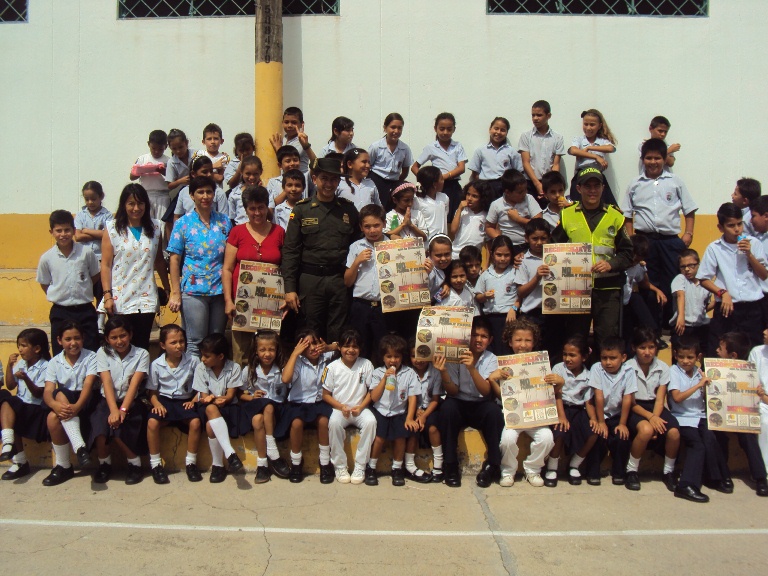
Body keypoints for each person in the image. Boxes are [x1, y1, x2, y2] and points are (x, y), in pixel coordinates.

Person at [551, 167, 633, 356]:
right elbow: (554, 249)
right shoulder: (566, 215)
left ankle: (604, 382)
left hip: (608, 289)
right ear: (579, 189)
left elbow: (628, 253)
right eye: (588, 186)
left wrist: (611, 264)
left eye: (597, 186)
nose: (593, 190)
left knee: (607, 339)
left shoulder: (616, 216)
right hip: (575, 288)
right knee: (575, 340)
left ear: (603, 188)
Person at [283, 156, 360, 345]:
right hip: (310, 281)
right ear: (315, 178)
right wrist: (290, 289)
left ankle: (333, 372)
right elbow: (291, 251)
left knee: (337, 331)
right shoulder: (302, 210)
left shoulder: (348, 210)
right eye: (324, 178)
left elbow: (359, 244)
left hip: (338, 280)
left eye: (334, 179)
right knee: (309, 330)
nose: (329, 184)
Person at [622, 138, 697, 321]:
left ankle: (672, 324)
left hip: (670, 240)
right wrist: (633, 240)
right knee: (649, 283)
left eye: (657, 158)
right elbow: (627, 215)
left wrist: (688, 234)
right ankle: (653, 328)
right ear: (643, 159)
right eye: (648, 158)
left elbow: (689, 209)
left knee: (674, 281)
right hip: (646, 241)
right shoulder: (635, 184)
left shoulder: (675, 182)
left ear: (664, 159)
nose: (653, 162)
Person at [168, 176, 232, 357]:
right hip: (193, 292)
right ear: (192, 195)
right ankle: (196, 385)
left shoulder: (225, 222)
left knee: (216, 341)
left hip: (219, 291)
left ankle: (215, 383)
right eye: (200, 192)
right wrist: (175, 292)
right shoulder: (182, 223)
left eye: (209, 191)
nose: (205, 196)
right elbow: (174, 259)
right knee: (196, 342)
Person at [101, 183, 170, 351]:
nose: (136, 208)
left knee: (141, 345)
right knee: (121, 345)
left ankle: (141, 378)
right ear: (124, 205)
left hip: (146, 297)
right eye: (131, 203)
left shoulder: (155, 227)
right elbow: (106, 264)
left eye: (140, 203)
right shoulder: (112, 228)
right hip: (121, 298)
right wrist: (107, 295)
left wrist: (168, 288)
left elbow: (159, 261)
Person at [436, 317, 504, 488]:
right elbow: (452, 391)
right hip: (459, 401)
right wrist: (444, 372)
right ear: (467, 337)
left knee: (494, 412)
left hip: (480, 404)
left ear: (490, 340)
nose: (478, 340)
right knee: (447, 409)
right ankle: (450, 465)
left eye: (483, 336)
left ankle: (492, 465)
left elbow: (486, 391)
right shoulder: (456, 353)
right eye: (474, 335)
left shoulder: (491, 359)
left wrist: (472, 368)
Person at [222, 185, 285, 364]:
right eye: (252, 208)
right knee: (241, 354)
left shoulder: (279, 233)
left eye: (261, 208)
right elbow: (227, 269)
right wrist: (228, 300)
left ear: (267, 207)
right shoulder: (237, 232)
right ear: (246, 209)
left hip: (270, 305)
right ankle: (241, 391)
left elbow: (286, 268)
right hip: (242, 304)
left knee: (269, 353)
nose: (257, 213)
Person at [491, 318, 555, 488]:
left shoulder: (541, 363)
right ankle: (508, 471)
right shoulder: (505, 365)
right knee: (507, 440)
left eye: (527, 340)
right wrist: (492, 380)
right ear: (510, 342)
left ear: (534, 342)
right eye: (518, 340)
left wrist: (559, 382)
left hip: (536, 415)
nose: (523, 345)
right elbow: (503, 398)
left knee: (547, 438)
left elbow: (550, 393)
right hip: (514, 416)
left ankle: (533, 469)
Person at [697, 202, 768, 354]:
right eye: (731, 225)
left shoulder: (753, 243)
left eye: (739, 224)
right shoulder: (715, 248)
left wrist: (749, 254)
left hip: (752, 306)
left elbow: (763, 274)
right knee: (718, 348)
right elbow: (704, 278)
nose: (737, 229)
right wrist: (722, 292)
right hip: (727, 307)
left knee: (753, 350)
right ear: (721, 227)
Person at [89, 316, 149, 485]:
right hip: (107, 400)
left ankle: (134, 464)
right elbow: (106, 381)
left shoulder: (141, 354)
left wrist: (122, 410)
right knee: (101, 428)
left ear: (130, 334)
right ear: (107, 339)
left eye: (123, 336)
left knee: (119, 430)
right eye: (113, 337)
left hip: (130, 401)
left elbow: (135, 384)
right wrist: (113, 410)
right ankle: (104, 464)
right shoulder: (102, 352)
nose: (119, 341)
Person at [277, 328, 337, 484]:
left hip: (319, 403)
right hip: (299, 404)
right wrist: (295, 354)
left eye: (315, 343)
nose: (313, 348)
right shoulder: (298, 362)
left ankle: (325, 462)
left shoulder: (326, 357)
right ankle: (296, 462)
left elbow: (341, 345)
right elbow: (285, 378)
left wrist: (329, 347)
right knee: (296, 424)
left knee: (324, 421)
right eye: (307, 345)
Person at [42, 322, 98, 486]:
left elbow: (88, 385)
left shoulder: (91, 357)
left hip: (85, 401)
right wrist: (55, 405)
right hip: (64, 403)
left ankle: (67, 459)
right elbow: (48, 391)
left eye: (77, 338)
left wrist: (77, 406)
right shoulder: (54, 362)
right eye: (68, 339)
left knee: (61, 394)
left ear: (83, 339)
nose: (73, 343)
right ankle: (74, 454)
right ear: (59, 340)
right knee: (53, 414)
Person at [624, 327, 680, 492]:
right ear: (634, 348)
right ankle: (632, 470)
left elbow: (660, 399)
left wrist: (656, 417)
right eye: (642, 347)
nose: (647, 352)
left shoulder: (663, 367)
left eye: (651, 347)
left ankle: (668, 471)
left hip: (655, 406)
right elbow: (630, 402)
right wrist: (650, 418)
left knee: (674, 432)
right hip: (635, 407)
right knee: (646, 430)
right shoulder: (628, 367)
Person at [37, 210, 101, 355]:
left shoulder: (86, 253)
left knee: (91, 349)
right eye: (58, 230)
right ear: (51, 232)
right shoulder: (47, 258)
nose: (63, 234)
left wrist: (83, 287)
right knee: (61, 353)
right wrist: (60, 293)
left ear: (73, 230)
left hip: (85, 310)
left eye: (67, 230)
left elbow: (95, 275)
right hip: (60, 311)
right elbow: (44, 283)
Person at [146, 324, 203, 484]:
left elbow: (201, 386)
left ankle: (191, 462)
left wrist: (193, 400)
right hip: (164, 401)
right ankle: (156, 465)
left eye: (182, 341)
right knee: (152, 422)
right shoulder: (156, 364)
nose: (179, 346)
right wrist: (157, 404)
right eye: (173, 342)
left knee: (195, 422)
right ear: (163, 345)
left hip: (185, 401)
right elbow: (152, 393)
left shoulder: (193, 361)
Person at [667, 337, 722, 503]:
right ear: (676, 355)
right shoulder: (674, 371)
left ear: (698, 357)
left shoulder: (699, 372)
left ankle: (717, 477)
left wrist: (706, 387)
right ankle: (686, 485)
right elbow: (676, 398)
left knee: (711, 438)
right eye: (682, 357)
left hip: (700, 416)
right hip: (682, 418)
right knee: (697, 445)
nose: (685, 361)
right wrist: (698, 385)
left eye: (690, 357)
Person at [714, 332, 768, 497]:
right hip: (721, 411)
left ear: (733, 355)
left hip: (743, 409)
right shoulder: (714, 367)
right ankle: (724, 475)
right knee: (717, 433)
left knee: (749, 434)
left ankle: (760, 477)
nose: (716, 350)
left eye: (720, 348)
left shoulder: (744, 368)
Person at [542, 335, 600, 487]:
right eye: (565, 354)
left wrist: (593, 418)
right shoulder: (558, 369)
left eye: (573, 355)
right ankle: (552, 466)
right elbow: (557, 394)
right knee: (560, 431)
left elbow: (588, 401)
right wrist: (561, 416)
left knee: (593, 433)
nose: (568, 358)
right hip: (560, 407)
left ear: (584, 357)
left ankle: (575, 464)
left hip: (579, 410)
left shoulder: (588, 375)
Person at [322, 329, 377, 485]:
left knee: (370, 422)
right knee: (333, 424)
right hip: (340, 409)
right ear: (339, 347)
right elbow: (325, 395)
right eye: (347, 346)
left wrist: (360, 407)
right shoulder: (332, 367)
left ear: (360, 348)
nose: (351, 350)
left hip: (360, 409)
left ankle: (361, 465)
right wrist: (341, 407)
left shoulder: (366, 364)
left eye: (355, 346)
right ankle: (340, 466)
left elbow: (371, 392)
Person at [366, 335, 420, 487]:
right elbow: (374, 397)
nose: (393, 360)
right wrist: (384, 378)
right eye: (388, 356)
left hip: (399, 411)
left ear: (402, 357)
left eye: (397, 356)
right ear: (382, 357)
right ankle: (371, 467)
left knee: (400, 437)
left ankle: (397, 468)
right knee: (379, 438)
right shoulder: (377, 373)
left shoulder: (409, 373)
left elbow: (412, 398)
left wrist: (409, 417)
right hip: (381, 410)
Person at [239, 330, 290, 483]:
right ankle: (269, 458)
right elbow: (239, 394)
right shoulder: (249, 370)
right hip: (256, 407)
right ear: (256, 351)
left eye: (271, 349)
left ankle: (263, 464)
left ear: (277, 350)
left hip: (277, 412)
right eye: (262, 349)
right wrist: (251, 396)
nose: (267, 354)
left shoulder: (281, 370)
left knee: (264, 413)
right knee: (260, 414)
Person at [193, 333, 245, 484]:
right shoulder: (200, 368)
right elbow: (204, 397)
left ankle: (218, 465)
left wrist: (218, 399)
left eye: (207, 356)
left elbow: (229, 396)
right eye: (202, 355)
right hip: (207, 407)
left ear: (220, 356)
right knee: (209, 409)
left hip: (228, 407)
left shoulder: (234, 368)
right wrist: (211, 399)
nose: (203, 359)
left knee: (210, 425)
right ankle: (230, 454)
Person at [0, 329, 51, 480]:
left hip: (36, 409)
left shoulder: (46, 365)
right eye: (19, 346)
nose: (20, 349)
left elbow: (38, 393)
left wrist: (26, 378)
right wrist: (10, 366)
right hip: (21, 406)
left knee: (10, 402)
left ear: (36, 348)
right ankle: (18, 459)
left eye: (23, 346)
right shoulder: (21, 363)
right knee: (5, 398)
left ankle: (9, 443)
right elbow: (10, 385)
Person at [589, 337, 638, 486]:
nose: (608, 362)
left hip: (618, 414)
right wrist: (601, 421)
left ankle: (619, 472)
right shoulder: (597, 368)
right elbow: (598, 396)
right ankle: (593, 471)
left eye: (613, 358)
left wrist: (622, 423)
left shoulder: (629, 371)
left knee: (622, 438)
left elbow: (627, 398)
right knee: (596, 435)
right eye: (604, 358)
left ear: (623, 358)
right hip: (600, 413)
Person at [344, 204, 389, 359]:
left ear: (384, 223)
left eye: (376, 225)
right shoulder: (356, 247)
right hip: (360, 306)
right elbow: (348, 282)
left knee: (383, 349)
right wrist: (357, 262)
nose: (372, 230)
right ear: (361, 227)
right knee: (360, 348)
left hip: (385, 307)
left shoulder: (394, 246)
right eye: (367, 226)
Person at [515, 218, 560, 359]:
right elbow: (520, 291)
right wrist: (536, 277)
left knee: (552, 352)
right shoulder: (523, 261)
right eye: (535, 239)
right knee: (532, 353)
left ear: (549, 237)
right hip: (532, 315)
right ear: (527, 239)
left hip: (555, 313)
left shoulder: (558, 257)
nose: (539, 243)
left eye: (543, 238)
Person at [411, 112, 467, 219]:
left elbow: (461, 168)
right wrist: (427, 180)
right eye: (442, 129)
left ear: (454, 129)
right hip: (437, 187)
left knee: (455, 215)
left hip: (453, 186)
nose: (445, 132)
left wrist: (442, 177)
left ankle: (450, 235)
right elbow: (414, 167)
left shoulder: (457, 146)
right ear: (435, 128)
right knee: (439, 215)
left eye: (449, 129)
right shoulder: (431, 147)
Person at [406, 338, 442, 482]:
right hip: (411, 409)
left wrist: (424, 415)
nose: (418, 360)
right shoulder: (407, 373)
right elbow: (407, 398)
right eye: (414, 355)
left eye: (422, 355)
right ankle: (409, 465)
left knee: (433, 429)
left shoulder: (435, 371)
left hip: (430, 409)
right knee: (413, 428)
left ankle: (438, 466)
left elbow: (435, 399)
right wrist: (415, 413)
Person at [475, 235, 518, 355]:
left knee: (507, 349)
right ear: (492, 253)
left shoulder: (515, 272)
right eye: (499, 255)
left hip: (509, 318)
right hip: (491, 318)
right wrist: (484, 296)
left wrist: (514, 308)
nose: (503, 259)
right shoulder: (486, 274)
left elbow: (521, 295)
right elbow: (477, 296)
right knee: (493, 350)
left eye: (506, 255)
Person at [518, 100, 566, 207]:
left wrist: (550, 185)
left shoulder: (557, 138)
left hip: (549, 184)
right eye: (533, 115)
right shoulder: (526, 136)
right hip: (530, 182)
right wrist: (537, 184)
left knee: (550, 213)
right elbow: (525, 162)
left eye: (539, 115)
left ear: (548, 115)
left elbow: (556, 164)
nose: (535, 118)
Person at [74, 181, 112, 308]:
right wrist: (98, 233)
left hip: (101, 259)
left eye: (93, 199)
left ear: (101, 197)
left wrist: (86, 230)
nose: (90, 202)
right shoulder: (80, 215)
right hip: (84, 259)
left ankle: (100, 323)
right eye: (87, 199)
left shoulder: (107, 216)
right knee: (84, 291)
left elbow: (108, 235)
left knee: (100, 292)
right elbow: (78, 237)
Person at [567, 109, 617, 205]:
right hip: (581, 175)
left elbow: (611, 148)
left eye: (592, 125)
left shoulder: (602, 141)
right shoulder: (579, 139)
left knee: (606, 205)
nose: (588, 128)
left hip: (597, 176)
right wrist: (596, 157)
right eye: (586, 124)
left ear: (599, 126)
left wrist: (590, 147)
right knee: (577, 205)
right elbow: (573, 150)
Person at [485, 168, 542, 252]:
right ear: (507, 192)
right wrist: (499, 239)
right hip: (507, 247)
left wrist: (518, 219)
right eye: (520, 192)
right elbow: (489, 227)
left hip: (528, 245)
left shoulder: (529, 199)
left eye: (526, 190)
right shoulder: (496, 205)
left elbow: (539, 223)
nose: (524, 193)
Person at [467, 116, 523, 199]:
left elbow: (518, 173)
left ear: (507, 133)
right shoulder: (481, 150)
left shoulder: (511, 151)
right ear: (490, 129)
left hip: (504, 187)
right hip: (486, 187)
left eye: (503, 130)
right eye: (496, 128)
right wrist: (482, 186)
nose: (498, 132)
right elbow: (475, 174)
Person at [670, 249, 712, 353]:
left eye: (691, 265)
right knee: (681, 355)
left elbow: (706, 304)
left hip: (700, 326)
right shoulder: (680, 278)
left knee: (704, 354)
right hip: (683, 325)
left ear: (699, 264)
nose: (687, 269)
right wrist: (681, 317)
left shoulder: (705, 283)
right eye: (683, 267)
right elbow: (680, 295)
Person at [368, 113, 413, 211]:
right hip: (376, 181)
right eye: (393, 127)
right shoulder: (376, 146)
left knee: (391, 211)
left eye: (399, 128)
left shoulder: (405, 149)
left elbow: (405, 171)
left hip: (394, 183)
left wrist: (397, 182)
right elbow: (367, 167)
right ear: (385, 128)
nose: (396, 131)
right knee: (376, 210)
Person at [130, 129, 169, 219]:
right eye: (153, 148)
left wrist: (163, 171)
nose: (156, 151)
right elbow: (132, 177)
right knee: (147, 220)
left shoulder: (168, 160)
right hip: (146, 194)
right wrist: (143, 170)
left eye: (160, 149)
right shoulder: (142, 159)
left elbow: (173, 178)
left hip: (163, 195)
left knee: (162, 222)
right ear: (148, 144)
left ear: (166, 146)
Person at [450, 181, 490, 259]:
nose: (469, 198)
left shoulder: (486, 216)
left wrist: (486, 264)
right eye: (468, 194)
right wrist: (459, 209)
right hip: (456, 254)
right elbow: (453, 230)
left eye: (474, 196)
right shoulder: (462, 212)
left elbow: (488, 243)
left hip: (473, 258)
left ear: (483, 198)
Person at [269, 106, 316, 174]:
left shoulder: (301, 142)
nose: (289, 125)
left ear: (301, 124)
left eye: (294, 122)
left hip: (301, 179)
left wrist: (278, 148)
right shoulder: (283, 139)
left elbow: (288, 156)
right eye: (286, 122)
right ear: (282, 123)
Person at [748, 328, 768, 478]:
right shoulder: (757, 351)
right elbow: (750, 381)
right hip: (760, 402)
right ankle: (765, 473)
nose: (765, 332)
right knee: (764, 422)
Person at [336, 148, 381, 212]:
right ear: (350, 164)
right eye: (364, 162)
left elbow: (378, 207)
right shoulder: (339, 183)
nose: (368, 166)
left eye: (369, 162)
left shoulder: (370, 184)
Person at [414, 165, 450, 237]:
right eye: (441, 179)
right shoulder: (417, 200)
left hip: (443, 241)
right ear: (434, 184)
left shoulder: (444, 198)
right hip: (427, 244)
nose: (443, 181)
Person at [227, 156, 264, 225]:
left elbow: (270, 215)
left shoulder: (266, 193)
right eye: (248, 174)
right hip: (241, 231)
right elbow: (231, 218)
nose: (251, 177)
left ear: (261, 172)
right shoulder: (234, 194)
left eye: (255, 174)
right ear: (241, 172)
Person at [193, 123, 230, 188]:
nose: (212, 142)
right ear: (203, 142)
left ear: (221, 141)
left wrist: (203, 171)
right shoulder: (199, 155)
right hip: (200, 189)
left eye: (216, 138)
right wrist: (213, 166)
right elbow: (196, 174)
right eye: (209, 139)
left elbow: (219, 178)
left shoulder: (224, 158)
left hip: (216, 191)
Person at [165, 128, 195, 193]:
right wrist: (180, 181)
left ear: (186, 143)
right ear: (170, 147)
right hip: (184, 192)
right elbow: (169, 185)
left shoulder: (197, 154)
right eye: (174, 149)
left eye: (181, 147)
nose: (178, 151)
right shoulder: (171, 162)